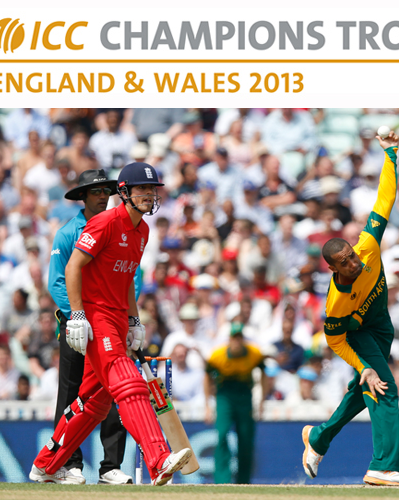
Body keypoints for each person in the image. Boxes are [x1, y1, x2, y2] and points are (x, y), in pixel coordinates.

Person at [29, 162, 192, 486]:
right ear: (125, 193)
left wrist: (134, 321)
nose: (149, 195)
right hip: (95, 316)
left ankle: (46, 464)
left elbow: (128, 277)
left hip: (118, 318)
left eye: (152, 189)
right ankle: (159, 459)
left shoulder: (142, 231)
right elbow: (73, 267)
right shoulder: (103, 223)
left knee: (94, 403)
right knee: (129, 383)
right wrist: (77, 315)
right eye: (142, 189)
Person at [301, 132, 399, 486]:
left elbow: (385, 199)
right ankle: (382, 466)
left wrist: (390, 153)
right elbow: (334, 341)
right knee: (383, 386)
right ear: (333, 270)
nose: (355, 262)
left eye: (352, 254)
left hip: (382, 325)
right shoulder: (335, 303)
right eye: (345, 262)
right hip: (358, 333)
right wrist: (362, 365)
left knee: (362, 392)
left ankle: (318, 438)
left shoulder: (367, 245)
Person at [46, 168, 142, 485]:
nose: (102, 196)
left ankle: (110, 466)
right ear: (83, 196)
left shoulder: (124, 226)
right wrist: (78, 316)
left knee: (115, 392)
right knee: (72, 395)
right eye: (96, 191)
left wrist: (126, 317)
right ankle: (68, 464)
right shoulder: (67, 232)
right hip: (76, 327)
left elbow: (130, 276)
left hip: (109, 324)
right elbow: (58, 281)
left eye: (106, 191)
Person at [204, 322, 267, 484]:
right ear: (230, 339)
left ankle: (243, 481)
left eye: (239, 338)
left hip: (245, 396)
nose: (237, 341)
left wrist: (262, 400)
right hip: (225, 396)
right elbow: (207, 376)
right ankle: (222, 480)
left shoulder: (253, 353)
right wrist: (207, 404)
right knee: (222, 434)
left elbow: (264, 372)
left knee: (246, 438)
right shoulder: (218, 356)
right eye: (234, 338)